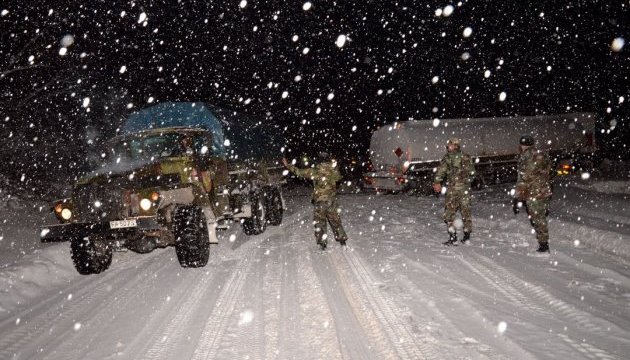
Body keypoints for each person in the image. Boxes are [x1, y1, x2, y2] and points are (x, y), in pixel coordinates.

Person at [282, 152, 348, 250]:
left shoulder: (314, 171)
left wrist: (288, 165)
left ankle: (322, 244)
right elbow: (339, 177)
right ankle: (342, 241)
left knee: (320, 222)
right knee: (335, 221)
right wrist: (334, 168)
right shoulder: (333, 170)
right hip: (331, 200)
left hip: (320, 201)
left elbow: (299, 172)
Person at [513, 134, 553, 253]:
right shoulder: (542, 153)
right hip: (544, 190)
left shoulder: (525, 157)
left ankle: (544, 244)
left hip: (533, 192)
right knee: (540, 216)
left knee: (537, 218)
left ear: (522, 145)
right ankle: (543, 241)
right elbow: (548, 171)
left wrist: (517, 197)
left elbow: (523, 178)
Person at [432, 137, 476, 245]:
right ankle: (464, 237)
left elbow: (441, 171)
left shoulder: (448, 157)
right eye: (448, 145)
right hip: (463, 190)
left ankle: (456, 237)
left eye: (450, 145)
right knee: (463, 212)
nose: (448, 146)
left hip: (454, 190)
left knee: (452, 213)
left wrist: (437, 181)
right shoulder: (466, 157)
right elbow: (472, 173)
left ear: (455, 145)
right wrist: (466, 183)